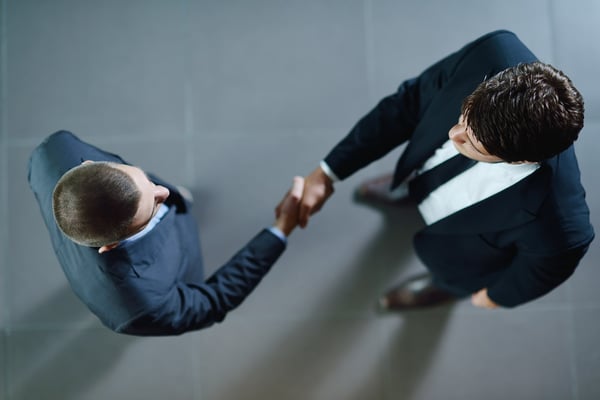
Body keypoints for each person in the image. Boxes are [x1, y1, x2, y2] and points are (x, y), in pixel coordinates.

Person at [284, 30, 594, 310]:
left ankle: (441, 288)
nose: (452, 134)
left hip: (458, 256)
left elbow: (538, 273)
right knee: (418, 178)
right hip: (428, 175)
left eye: (472, 142)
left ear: (518, 161)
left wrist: (496, 297)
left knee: (453, 280)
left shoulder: (562, 229)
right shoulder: (493, 54)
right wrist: (328, 172)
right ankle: (411, 188)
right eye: (464, 115)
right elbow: (406, 104)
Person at [29, 131, 304, 335]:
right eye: (154, 205)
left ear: (87, 165)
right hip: (168, 266)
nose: (165, 192)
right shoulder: (143, 306)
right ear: (111, 246)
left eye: (146, 181)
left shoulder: (54, 151)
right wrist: (281, 228)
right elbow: (215, 299)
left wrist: (146, 198)